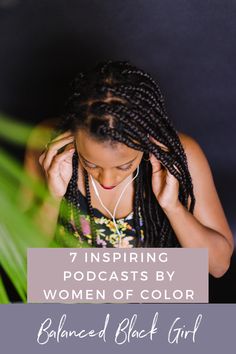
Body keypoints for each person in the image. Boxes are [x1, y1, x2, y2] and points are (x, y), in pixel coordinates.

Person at [25, 60, 233, 278]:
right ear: (73, 137)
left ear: (146, 140)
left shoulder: (180, 156)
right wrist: (51, 198)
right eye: (91, 164)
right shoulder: (46, 146)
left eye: (124, 165)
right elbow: (25, 266)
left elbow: (218, 266)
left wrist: (173, 207)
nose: (107, 180)